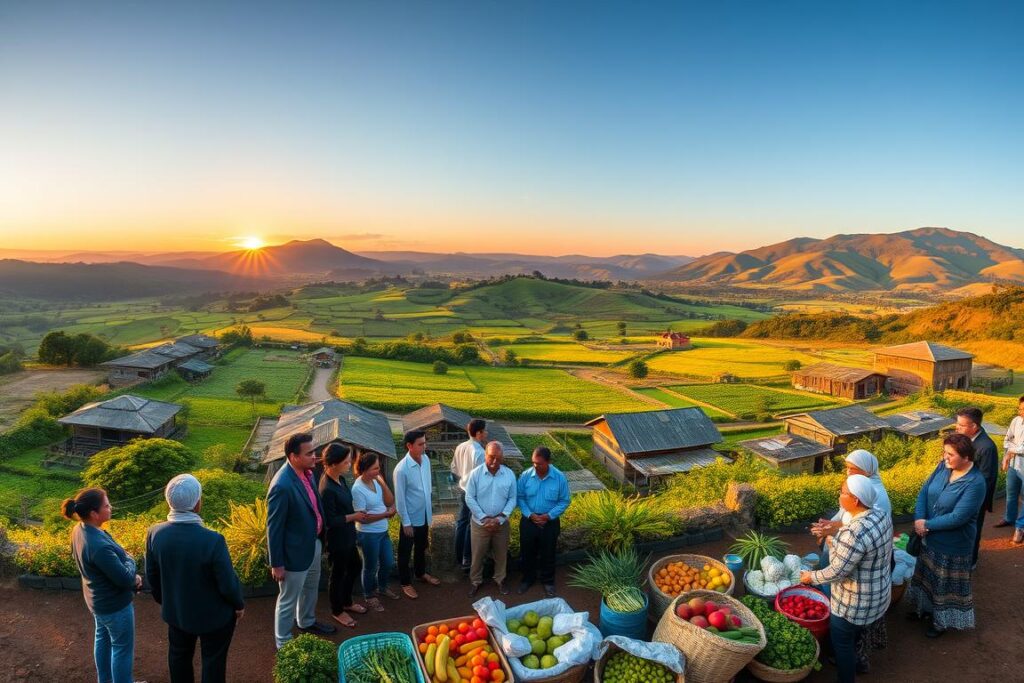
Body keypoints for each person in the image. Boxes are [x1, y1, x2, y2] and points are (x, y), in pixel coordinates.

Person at [146, 474, 244, 683]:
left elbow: (152, 576)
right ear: (197, 504)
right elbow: (227, 584)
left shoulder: (155, 533)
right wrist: (238, 604)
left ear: (168, 500)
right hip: (214, 617)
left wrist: (167, 602)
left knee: (178, 656)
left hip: (176, 613)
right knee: (213, 662)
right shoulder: (213, 540)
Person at [800, 475, 892, 683]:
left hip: (854, 603)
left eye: (843, 492)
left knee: (842, 644)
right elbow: (857, 552)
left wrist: (810, 577)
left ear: (856, 500)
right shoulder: (880, 515)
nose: (839, 495)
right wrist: (833, 535)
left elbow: (836, 571)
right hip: (879, 595)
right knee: (857, 634)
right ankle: (860, 662)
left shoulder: (853, 533)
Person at [905, 432, 987, 638]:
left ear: (967, 457)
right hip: (929, 537)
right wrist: (919, 518)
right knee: (926, 577)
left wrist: (926, 525)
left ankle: (940, 623)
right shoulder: (944, 467)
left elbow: (958, 517)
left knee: (943, 584)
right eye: (945, 452)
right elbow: (924, 491)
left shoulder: (975, 483)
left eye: (951, 454)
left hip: (952, 545)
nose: (945, 457)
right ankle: (922, 610)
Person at [64, 487, 142, 683]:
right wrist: (131, 561)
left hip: (97, 601)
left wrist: (127, 568)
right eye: (106, 505)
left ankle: (104, 680)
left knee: (103, 639)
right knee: (122, 648)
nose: (111, 507)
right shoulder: (98, 545)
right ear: (93, 513)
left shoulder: (80, 530)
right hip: (114, 606)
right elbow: (125, 577)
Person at [267, 432, 336, 649]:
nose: (315, 457)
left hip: (312, 543)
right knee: (288, 599)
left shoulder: (306, 473)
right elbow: (274, 528)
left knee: (311, 586)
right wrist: (276, 563)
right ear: (293, 456)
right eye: (309, 453)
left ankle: (306, 621)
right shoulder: (281, 485)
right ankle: (284, 643)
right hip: (293, 552)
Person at [317, 444, 367, 628]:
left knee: (355, 565)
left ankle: (346, 601)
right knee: (337, 574)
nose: (349, 464)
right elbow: (329, 520)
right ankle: (337, 610)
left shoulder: (341, 479)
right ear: (333, 464)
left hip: (348, 535)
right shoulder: (326, 489)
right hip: (337, 539)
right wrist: (354, 516)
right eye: (346, 462)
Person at [516, 446, 571, 598]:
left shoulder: (559, 477)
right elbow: (519, 497)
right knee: (527, 552)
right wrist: (530, 514)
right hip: (529, 520)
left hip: (550, 522)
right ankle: (528, 579)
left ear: (549, 462)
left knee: (549, 552)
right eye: (533, 462)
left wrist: (549, 515)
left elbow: (564, 500)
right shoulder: (526, 476)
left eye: (539, 463)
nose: (536, 466)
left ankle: (548, 582)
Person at [465, 441, 517, 598]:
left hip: (501, 524)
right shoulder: (475, 474)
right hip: (480, 524)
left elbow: (512, 498)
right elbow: (469, 497)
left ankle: (500, 579)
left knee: (501, 554)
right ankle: (475, 581)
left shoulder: (509, 474)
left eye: (499, 458)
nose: (495, 462)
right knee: (477, 554)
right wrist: (484, 518)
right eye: (491, 457)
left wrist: (500, 518)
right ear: (485, 455)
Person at [394, 429, 442, 598]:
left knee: (421, 546)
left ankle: (420, 573)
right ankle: (405, 583)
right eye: (420, 444)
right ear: (409, 446)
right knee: (405, 551)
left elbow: (427, 486)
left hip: (424, 514)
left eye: (424, 443)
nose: (424, 446)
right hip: (411, 518)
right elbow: (400, 499)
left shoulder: (426, 460)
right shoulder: (401, 470)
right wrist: (406, 522)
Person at [351, 451, 399, 611]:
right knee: (370, 565)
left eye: (378, 467)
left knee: (388, 562)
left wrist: (383, 482)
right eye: (374, 468)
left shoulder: (376, 481)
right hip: (368, 534)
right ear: (364, 469)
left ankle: (382, 587)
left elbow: (389, 500)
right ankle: (369, 595)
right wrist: (386, 514)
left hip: (382, 531)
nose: (378, 471)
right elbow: (362, 517)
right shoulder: (358, 489)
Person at [954, 406, 998, 567]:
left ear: (974, 427)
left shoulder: (986, 447)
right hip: (963, 494)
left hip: (974, 499)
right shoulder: (967, 440)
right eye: (957, 423)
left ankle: (971, 561)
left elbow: (987, 478)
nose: (957, 428)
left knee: (973, 528)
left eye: (961, 425)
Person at [451, 418, 488, 572]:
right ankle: (467, 558)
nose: (486, 433)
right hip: (473, 493)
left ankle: (458, 555)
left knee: (461, 522)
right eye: (485, 430)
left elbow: (453, 469)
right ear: (479, 433)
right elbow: (481, 478)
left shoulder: (461, 446)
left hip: (462, 488)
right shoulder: (479, 452)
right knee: (470, 525)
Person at [996, 395, 1024, 544]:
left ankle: (1020, 527)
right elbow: (1007, 440)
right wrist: (1011, 452)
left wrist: (1011, 451)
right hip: (1014, 464)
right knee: (1011, 493)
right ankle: (1009, 517)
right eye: (1020, 409)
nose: (1021, 412)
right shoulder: (1016, 421)